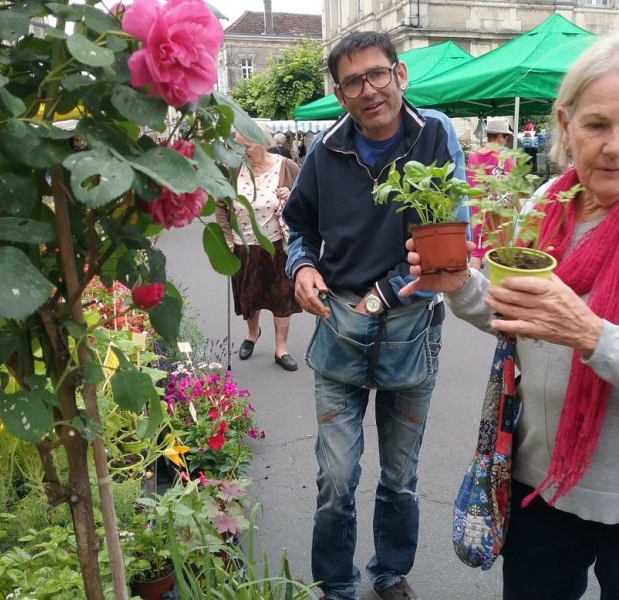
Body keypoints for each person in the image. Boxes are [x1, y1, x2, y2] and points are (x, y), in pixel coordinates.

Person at [400, 29, 619, 600]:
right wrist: (461, 285)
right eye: (596, 125)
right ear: (565, 125)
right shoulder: (549, 205)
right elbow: (525, 321)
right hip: (548, 485)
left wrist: (592, 335)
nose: (616, 146)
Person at [282, 31, 467, 600]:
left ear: (399, 73)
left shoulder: (433, 134)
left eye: (378, 74)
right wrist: (301, 268)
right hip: (340, 327)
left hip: (411, 330)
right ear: (340, 94)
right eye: (353, 81)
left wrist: (386, 293)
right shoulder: (326, 149)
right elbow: (300, 227)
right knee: (335, 480)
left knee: (400, 477)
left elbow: (452, 231)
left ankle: (389, 572)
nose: (369, 89)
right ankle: (336, 584)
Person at [215, 130, 302, 371]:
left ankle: (281, 349)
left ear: (264, 144)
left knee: (281, 298)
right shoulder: (233, 170)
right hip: (243, 247)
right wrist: (226, 236)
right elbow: (221, 206)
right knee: (249, 297)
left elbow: (307, 198)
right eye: (237, 148)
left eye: (247, 147)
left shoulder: (287, 166)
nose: (241, 153)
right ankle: (253, 333)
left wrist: (291, 195)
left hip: (277, 246)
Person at [467, 117, 515, 269]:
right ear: (500, 136)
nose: (506, 141)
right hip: (498, 213)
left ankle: (472, 287)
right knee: (499, 251)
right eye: (506, 137)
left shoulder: (473, 156)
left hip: (477, 210)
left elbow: (470, 184)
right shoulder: (505, 158)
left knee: (477, 251)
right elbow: (512, 188)